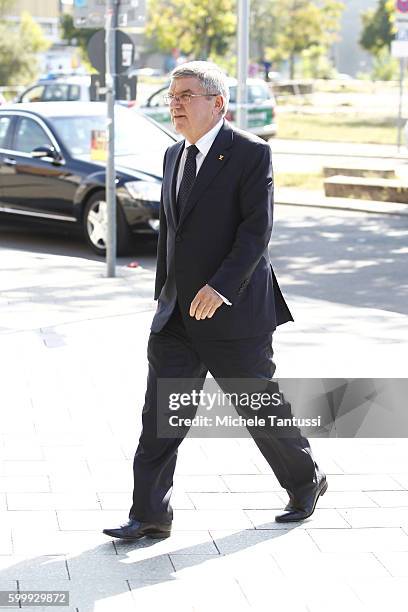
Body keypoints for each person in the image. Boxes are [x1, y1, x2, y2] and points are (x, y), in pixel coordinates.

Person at [103, 61, 327, 541]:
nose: (175, 104)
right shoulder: (171, 155)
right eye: (172, 96)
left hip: (235, 312)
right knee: (162, 415)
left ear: (217, 103)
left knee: (259, 408)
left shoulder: (250, 152)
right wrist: (164, 296)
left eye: (185, 95)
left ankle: (306, 481)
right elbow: (172, 238)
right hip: (177, 316)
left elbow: (255, 231)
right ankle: (149, 515)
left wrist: (220, 287)